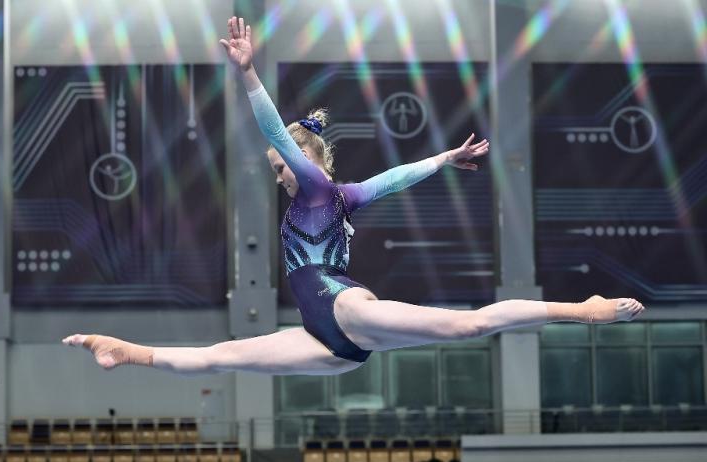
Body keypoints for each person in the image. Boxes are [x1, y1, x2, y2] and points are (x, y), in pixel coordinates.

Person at [62, 17, 644, 376]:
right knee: (221, 357)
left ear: (305, 161)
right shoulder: (341, 194)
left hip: (345, 310)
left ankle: (584, 309)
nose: (279, 178)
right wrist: (444, 159)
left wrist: (248, 74)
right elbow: (394, 178)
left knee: (469, 327)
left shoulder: (316, 185)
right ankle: (124, 350)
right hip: (326, 341)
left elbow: (277, 133)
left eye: (281, 169)